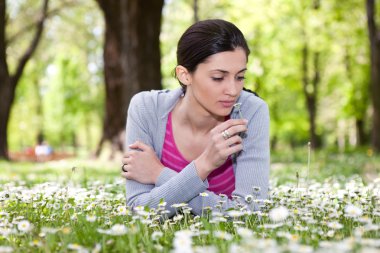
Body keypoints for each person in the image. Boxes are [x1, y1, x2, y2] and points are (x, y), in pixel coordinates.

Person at [121, 19, 270, 217]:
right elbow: (141, 210)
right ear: (184, 75)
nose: (233, 90)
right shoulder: (146, 108)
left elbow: (250, 212)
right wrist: (204, 166)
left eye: (240, 77)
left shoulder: (251, 112)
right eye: (218, 77)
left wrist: (160, 174)